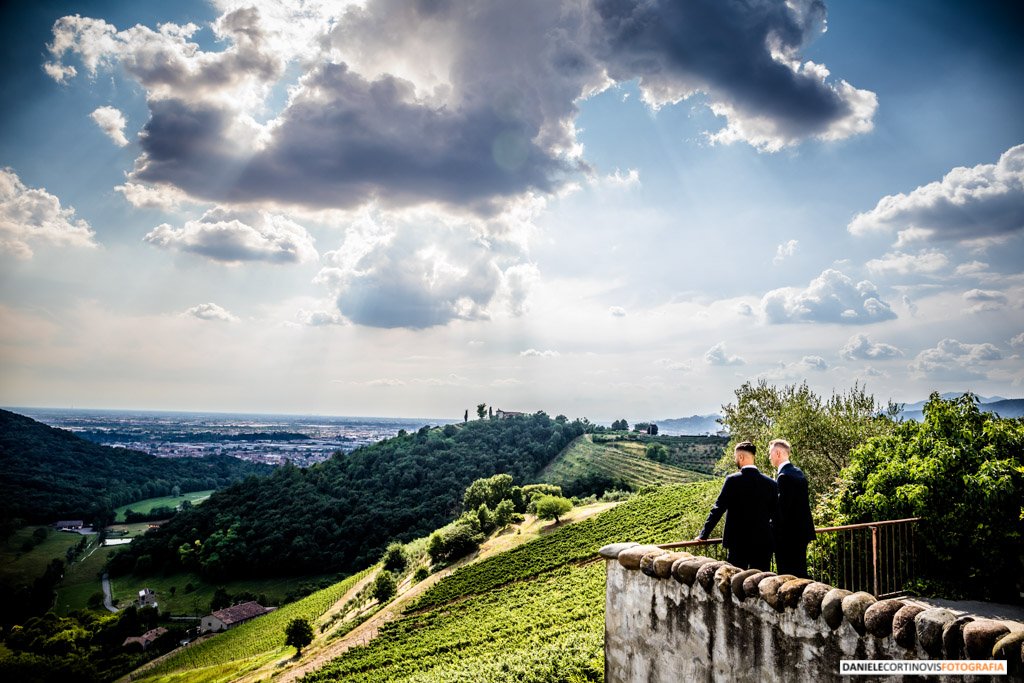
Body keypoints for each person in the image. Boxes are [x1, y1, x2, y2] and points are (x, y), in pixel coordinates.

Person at [695, 441, 778, 571]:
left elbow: (718, 508)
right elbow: (776, 515)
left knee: (736, 584)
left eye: (735, 457)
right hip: (763, 543)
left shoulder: (732, 480)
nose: (735, 460)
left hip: (738, 543)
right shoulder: (771, 483)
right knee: (762, 583)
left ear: (741, 457)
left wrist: (703, 535)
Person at [769, 438, 816, 578]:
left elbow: (782, 510)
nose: (769, 457)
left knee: (787, 576)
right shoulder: (798, 472)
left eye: (770, 453)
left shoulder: (783, 476)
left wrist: (770, 530)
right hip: (802, 533)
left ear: (778, 453)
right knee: (800, 571)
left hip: (788, 537)